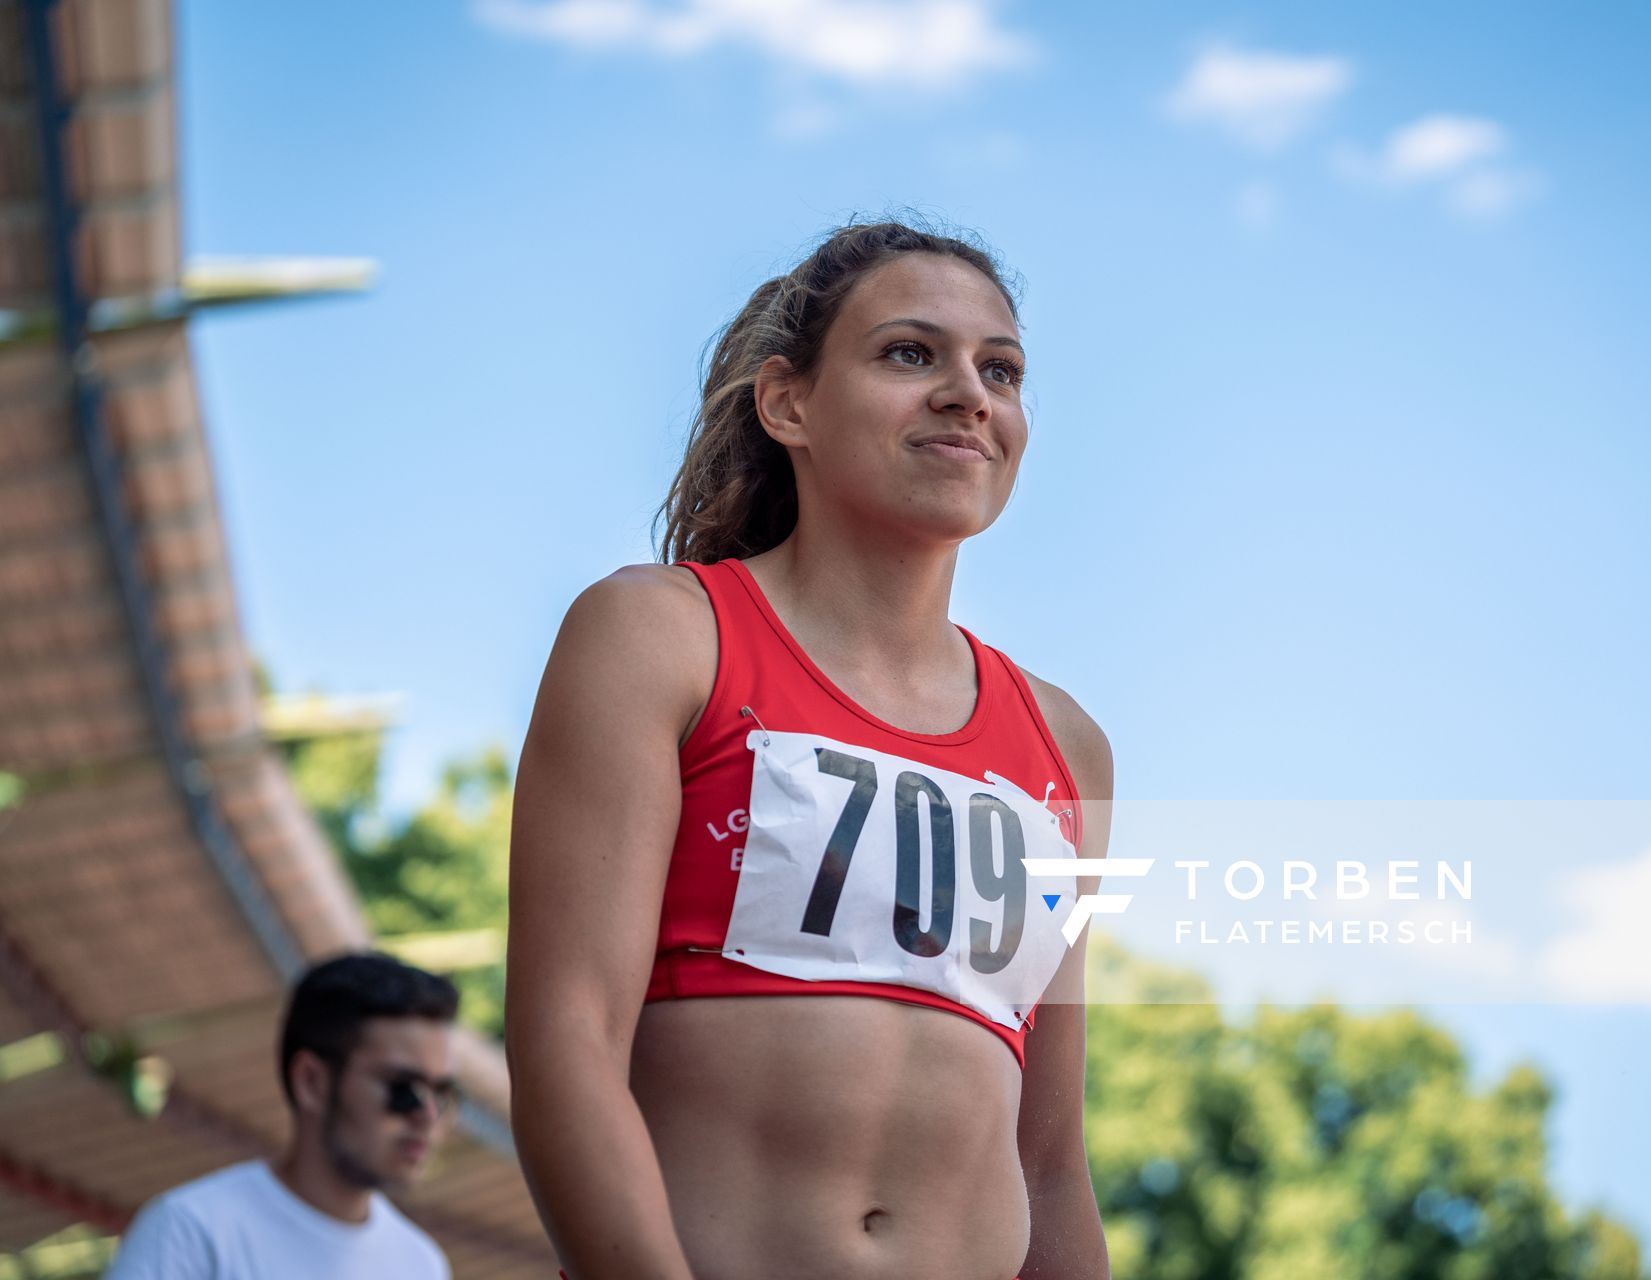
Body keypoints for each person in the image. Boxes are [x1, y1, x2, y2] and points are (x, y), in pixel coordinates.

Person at [506, 219, 1113, 1280]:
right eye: (909, 352)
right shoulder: (660, 635)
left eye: (1001, 369)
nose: (970, 392)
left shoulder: (1068, 745)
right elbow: (567, 1040)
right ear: (788, 402)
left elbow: (1051, 1158)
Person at [106, 952, 460, 1280]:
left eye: (442, 1094)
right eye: (404, 1090)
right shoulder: (191, 1232)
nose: (428, 1116)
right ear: (312, 1082)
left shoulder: (420, 1264)